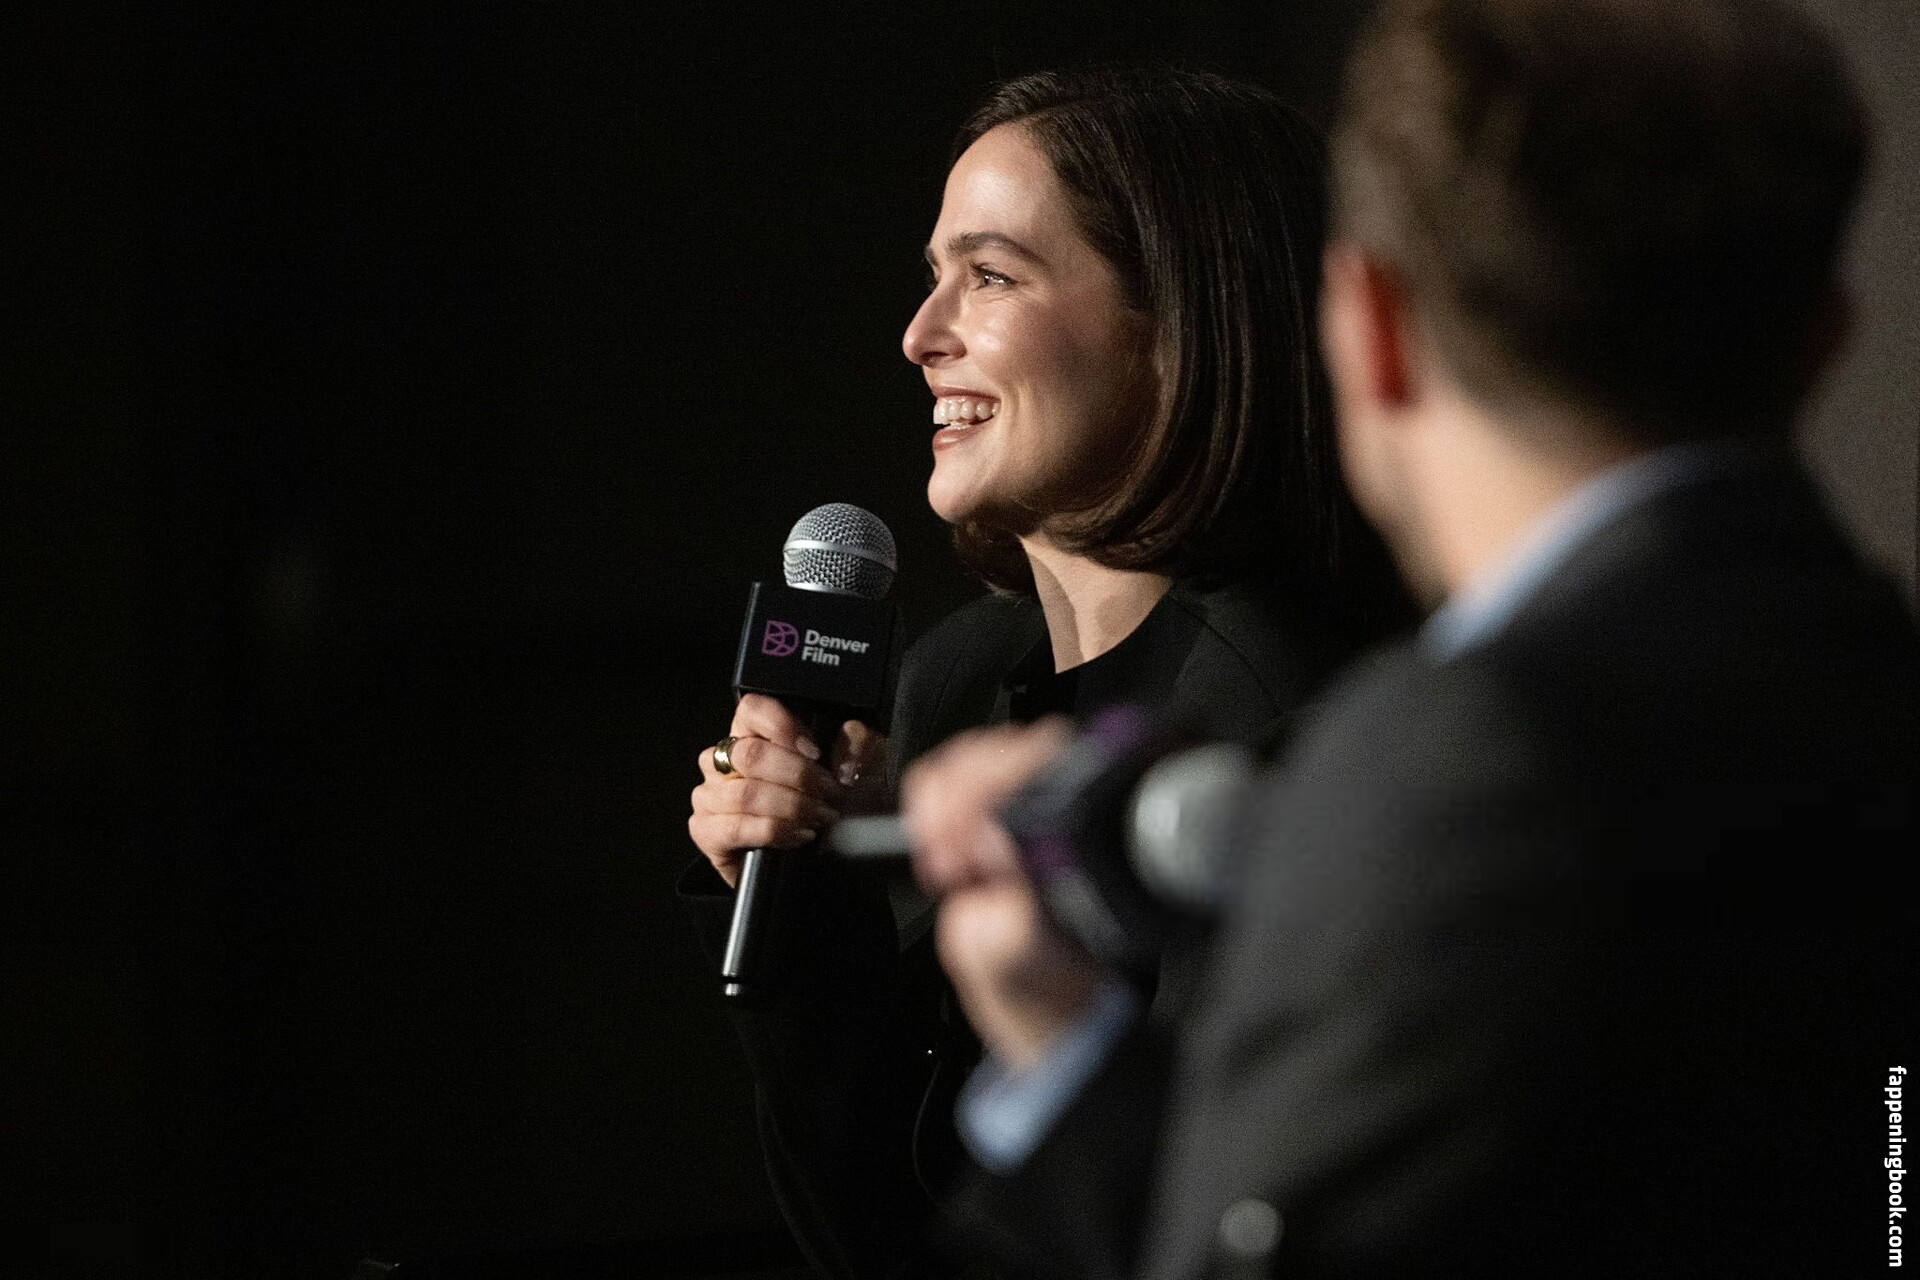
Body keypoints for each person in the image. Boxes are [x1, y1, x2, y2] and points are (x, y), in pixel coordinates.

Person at [902, 2, 1920, 1277]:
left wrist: (1067, 1064)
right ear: (1829, 334)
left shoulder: (1452, 760)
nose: (921, 332)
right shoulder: (1876, 679)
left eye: (992, 273)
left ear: (1366, 326)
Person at [678, 68, 1408, 1279]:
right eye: (933, 276)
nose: (921, 336)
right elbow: (898, 1231)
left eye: (993, 276)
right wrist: (809, 907)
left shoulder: (1286, 712)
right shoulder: (955, 682)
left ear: (1179, 322)